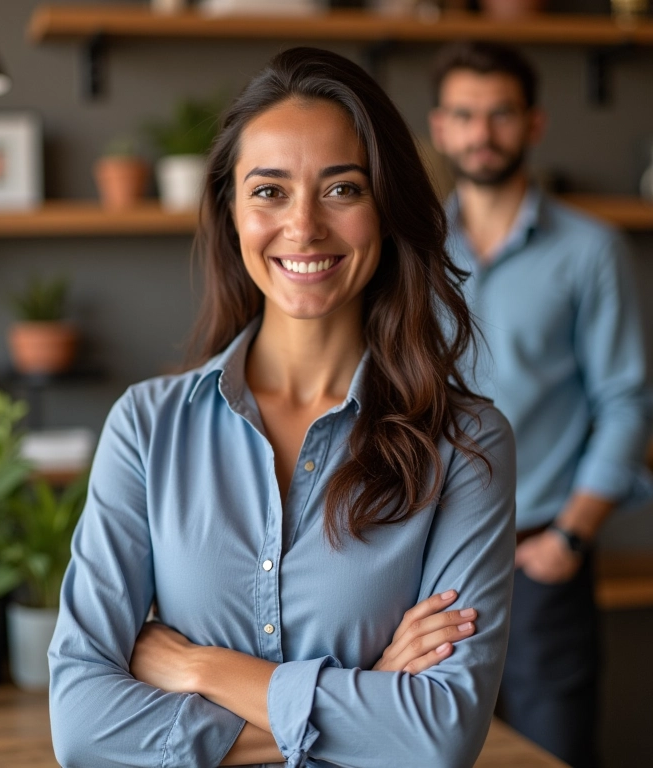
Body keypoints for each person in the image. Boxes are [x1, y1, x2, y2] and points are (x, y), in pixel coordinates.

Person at [49, 46, 516, 768]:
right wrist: (370, 697)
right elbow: (81, 726)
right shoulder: (147, 428)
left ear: (387, 210)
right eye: (269, 191)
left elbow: (439, 737)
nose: (303, 228)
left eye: (342, 190)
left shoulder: (465, 444)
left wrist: (202, 669)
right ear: (231, 211)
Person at [429, 40, 653, 768]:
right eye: (464, 115)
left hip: (541, 559)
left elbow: (625, 402)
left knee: (553, 755)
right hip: (423, 560)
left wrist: (573, 538)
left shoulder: (592, 251)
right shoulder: (410, 252)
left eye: (499, 115)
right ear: (439, 128)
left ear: (534, 124)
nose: (481, 133)